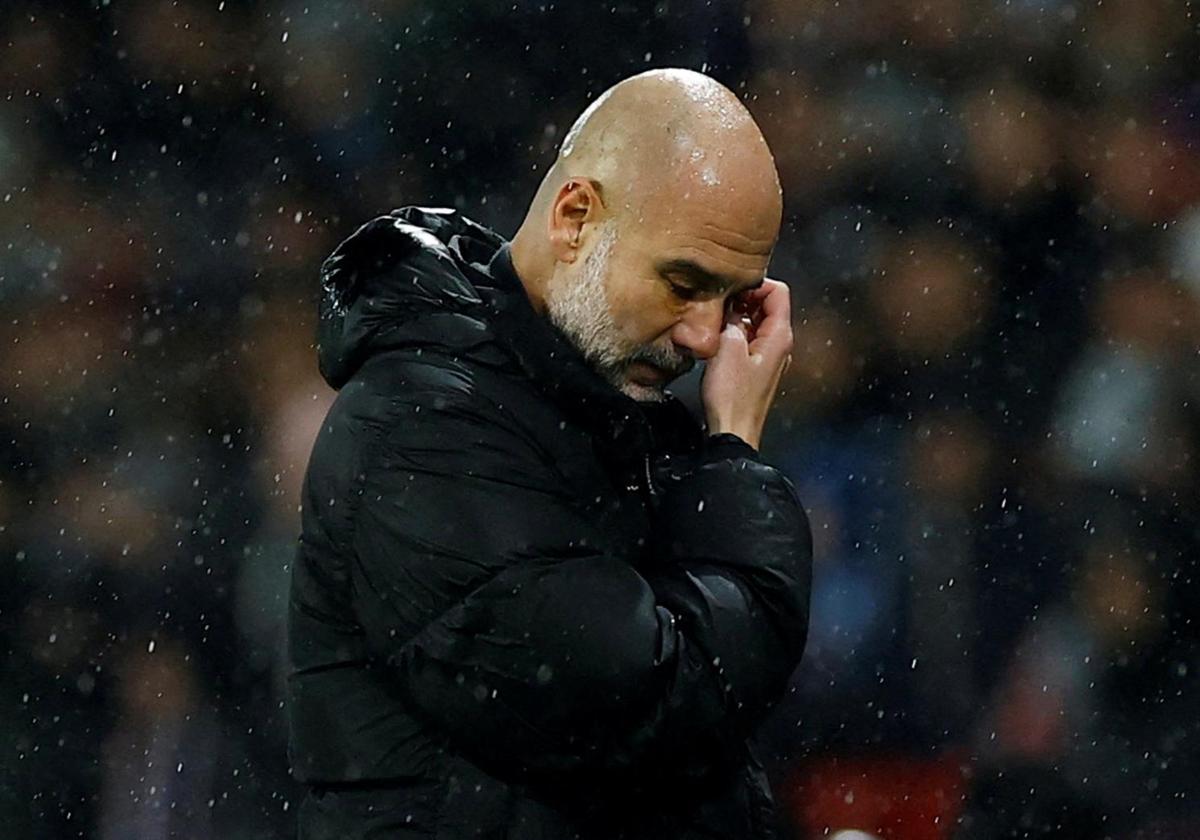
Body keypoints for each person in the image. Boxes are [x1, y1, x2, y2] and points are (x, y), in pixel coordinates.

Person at [287, 68, 813, 839]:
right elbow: (668, 706)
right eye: (682, 283)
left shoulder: (610, 417)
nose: (706, 339)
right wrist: (733, 451)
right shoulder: (423, 430)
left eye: (733, 301)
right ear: (574, 218)